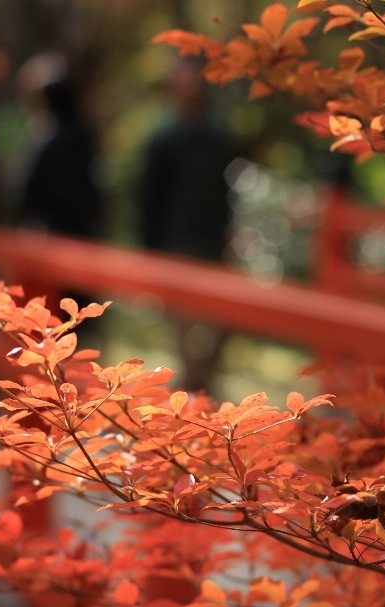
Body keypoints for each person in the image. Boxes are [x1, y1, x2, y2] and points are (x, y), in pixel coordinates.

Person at [138, 59, 239, 392]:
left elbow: (228, 193)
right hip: (174, 242)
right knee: (181, 322)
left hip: (213, 241)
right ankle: (193, 383)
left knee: (222, 320)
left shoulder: (218, 137)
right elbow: (149, 195)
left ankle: (199, 380)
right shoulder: (162, 139)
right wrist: (149, 247)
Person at [17, 54, 102, 238]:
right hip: (81, 224)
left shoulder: (46, 135)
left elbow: (25, 183)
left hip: (51, 225)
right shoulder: (84, 131)